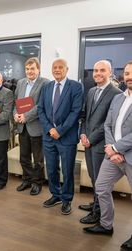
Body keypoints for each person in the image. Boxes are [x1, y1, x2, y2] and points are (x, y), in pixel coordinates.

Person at [83, 61, 132, 239]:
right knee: (101, 187)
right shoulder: (119, 98)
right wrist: (112, 148)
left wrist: (116, 148)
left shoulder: (114, 92)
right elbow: (108, 124)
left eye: (131, 73)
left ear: (110, 73)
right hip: (111, 153)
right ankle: (105, 224)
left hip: (127, 154)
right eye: (127, 73)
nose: (129, 77)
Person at [37, 58, 83, 215]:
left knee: (68, 170)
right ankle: (55, 195)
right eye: (54, 67)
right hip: (49, 137)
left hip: (67, 137)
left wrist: (60, 130)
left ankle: (66, 199)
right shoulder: (47, 87)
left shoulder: (76, 87)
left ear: (67, 69)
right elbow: (40, 109)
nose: (57, 70)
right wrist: (50, 129)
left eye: (60, 67)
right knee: (51, 169)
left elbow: (76, 112)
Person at [79, 60, 121, 224]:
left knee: (99, 180)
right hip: (88, 142)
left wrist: (91, 138)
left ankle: (97, 213)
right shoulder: (91, 91)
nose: (97, 73)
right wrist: (82, 134)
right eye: (95, 70)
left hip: (101, 145)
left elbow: (109, 123)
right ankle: (96, 203)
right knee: (92, 176)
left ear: (110, 72)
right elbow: (85, 116)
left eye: (102, 70)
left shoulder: (116, 93)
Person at [14, 57, 49, 195]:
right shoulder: (21, 83)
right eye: (27, 69)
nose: (30, 71)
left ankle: (37, 182)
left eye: (32, 68)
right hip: (22, 127)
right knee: (24, 157)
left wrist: (26, 116)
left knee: (38, 159)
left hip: (36, 127)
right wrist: (16, 114)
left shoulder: (45, 83)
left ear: (38, 69)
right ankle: (27, 179)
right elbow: (16, 102)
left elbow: (41, 105)